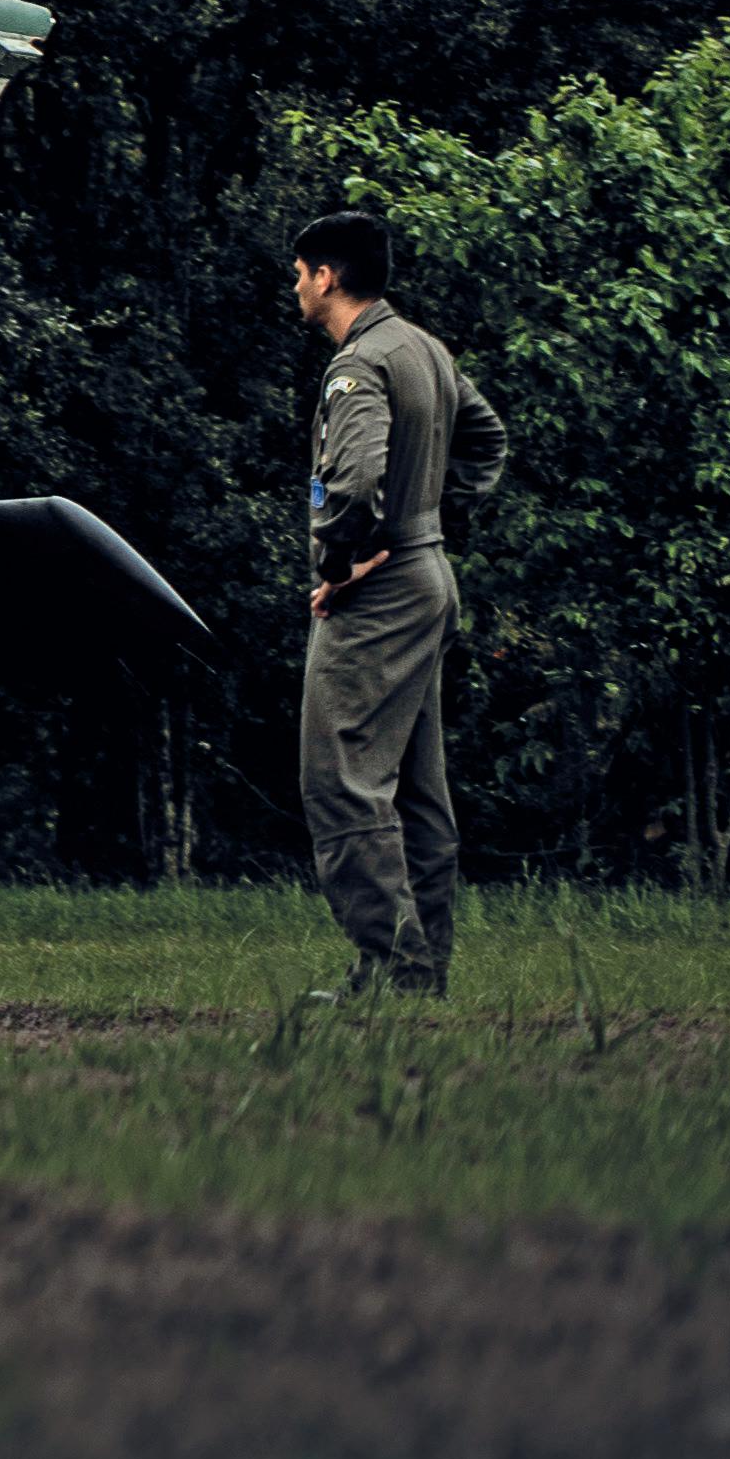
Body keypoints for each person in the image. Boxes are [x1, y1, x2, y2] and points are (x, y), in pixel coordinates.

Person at [290, 205, 508, 1003]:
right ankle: (421, 974)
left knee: (340, 780)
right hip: (428, 579)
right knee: (416, 789)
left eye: (300, 273)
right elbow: (487, 440)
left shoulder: (358, 365)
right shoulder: (424, 349)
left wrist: (345, 562)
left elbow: (351, 485)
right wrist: (426, 522)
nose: (296, 286)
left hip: (378, 598)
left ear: (328, 277)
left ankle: (391, 970)